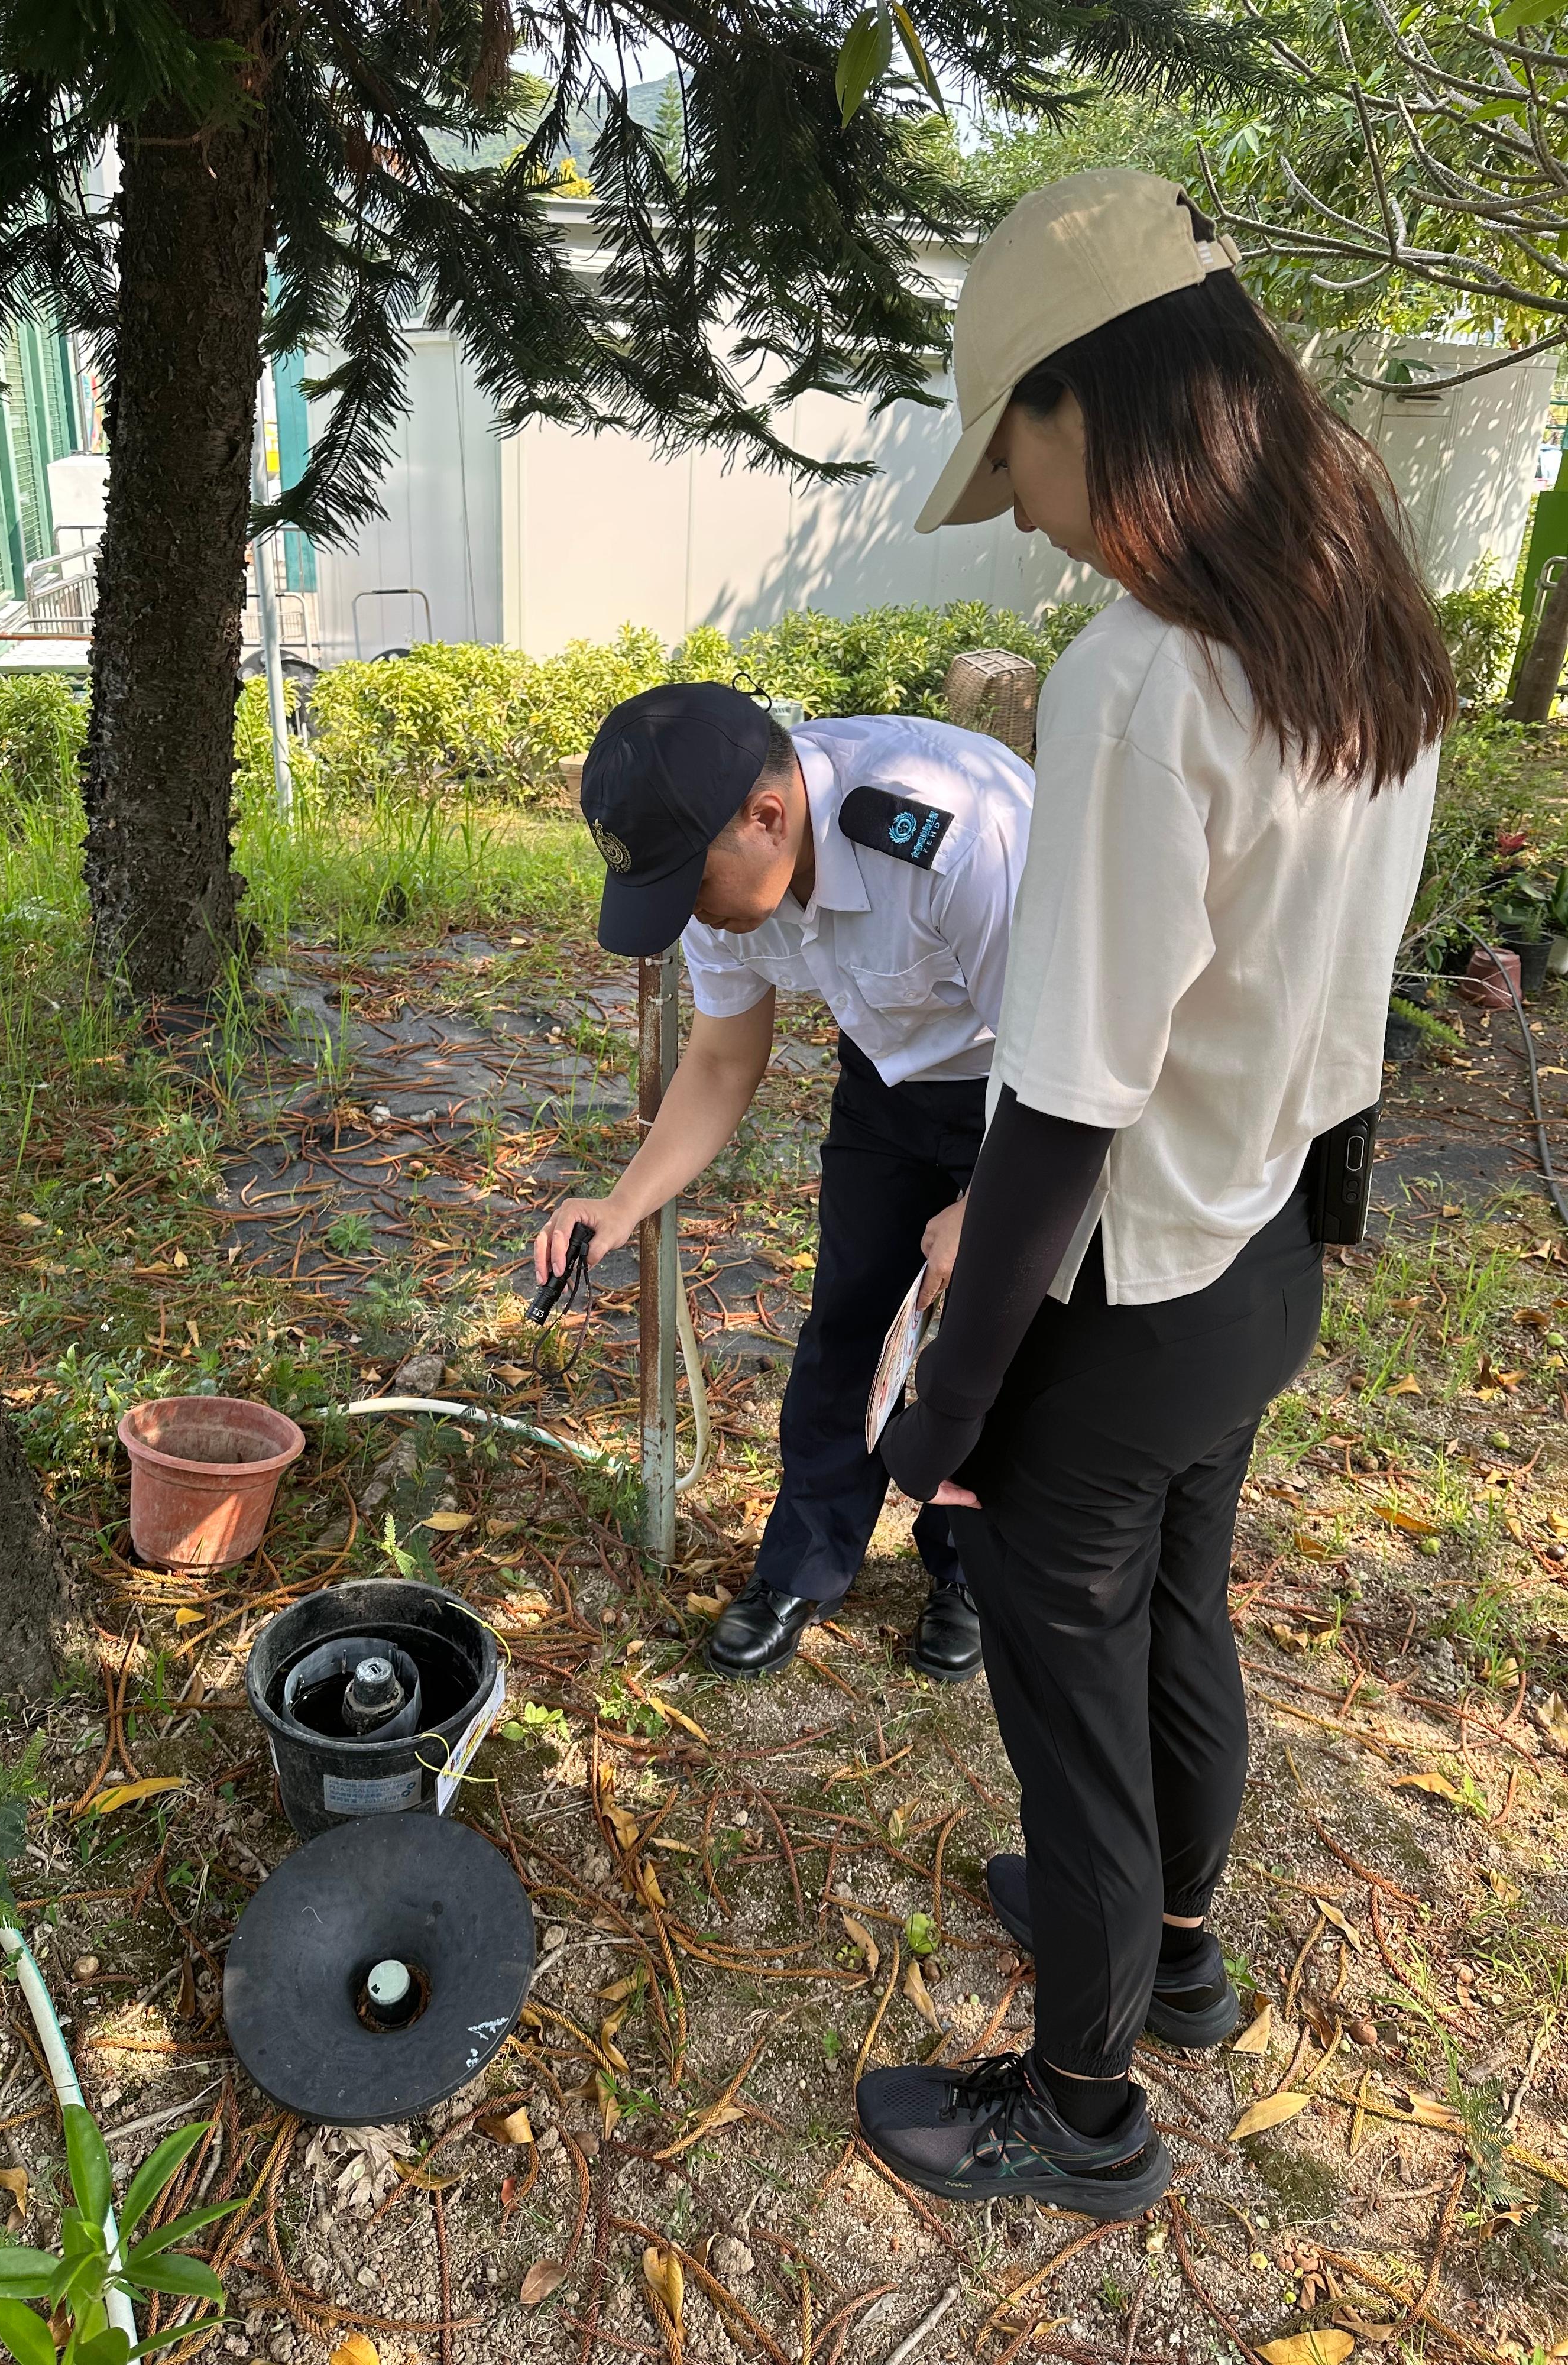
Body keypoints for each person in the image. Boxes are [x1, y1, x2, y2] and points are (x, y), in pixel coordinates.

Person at [850, 168, 1454, 2220]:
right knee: (1181, 1623)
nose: (1015, 501)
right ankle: (1176, 1961)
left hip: (1126, 1297)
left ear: (1087, 398)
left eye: (1010, 443)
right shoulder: (1360, 605)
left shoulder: (1140, 672)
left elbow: (1066, 1103)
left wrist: (946, 1413)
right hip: (1270, 1240)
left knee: (1071, 1703)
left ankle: (1084, 2108)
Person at [532, 682, 1031, 1680]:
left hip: (1026, 1090)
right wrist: (623, 1202)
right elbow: (722, 1061)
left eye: (691, 886)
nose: (689, 915)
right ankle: (804, 1566)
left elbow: (1067, 1063)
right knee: (847, 1324)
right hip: (888, 1083)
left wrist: (985, 1210)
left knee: (984, 1340)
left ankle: (973, 1571)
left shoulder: (957, 839)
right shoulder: (724, 864)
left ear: (769, 818)